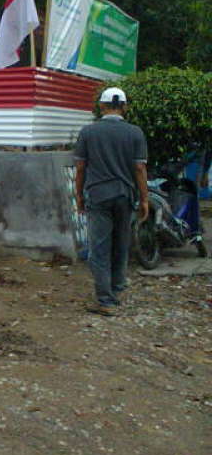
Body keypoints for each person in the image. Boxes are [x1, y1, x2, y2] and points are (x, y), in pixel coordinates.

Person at [75, 86, 149, 316]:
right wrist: (145, 199)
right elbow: (139, 167)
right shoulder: (135, 132)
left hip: (98, 196)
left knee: (99, 247)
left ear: (101, 106)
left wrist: (78, 195)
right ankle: (116, 290)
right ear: (124, 107)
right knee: (121, 243)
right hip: (125, 196)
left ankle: (105, 300)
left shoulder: (88, 132)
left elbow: (80, 167)